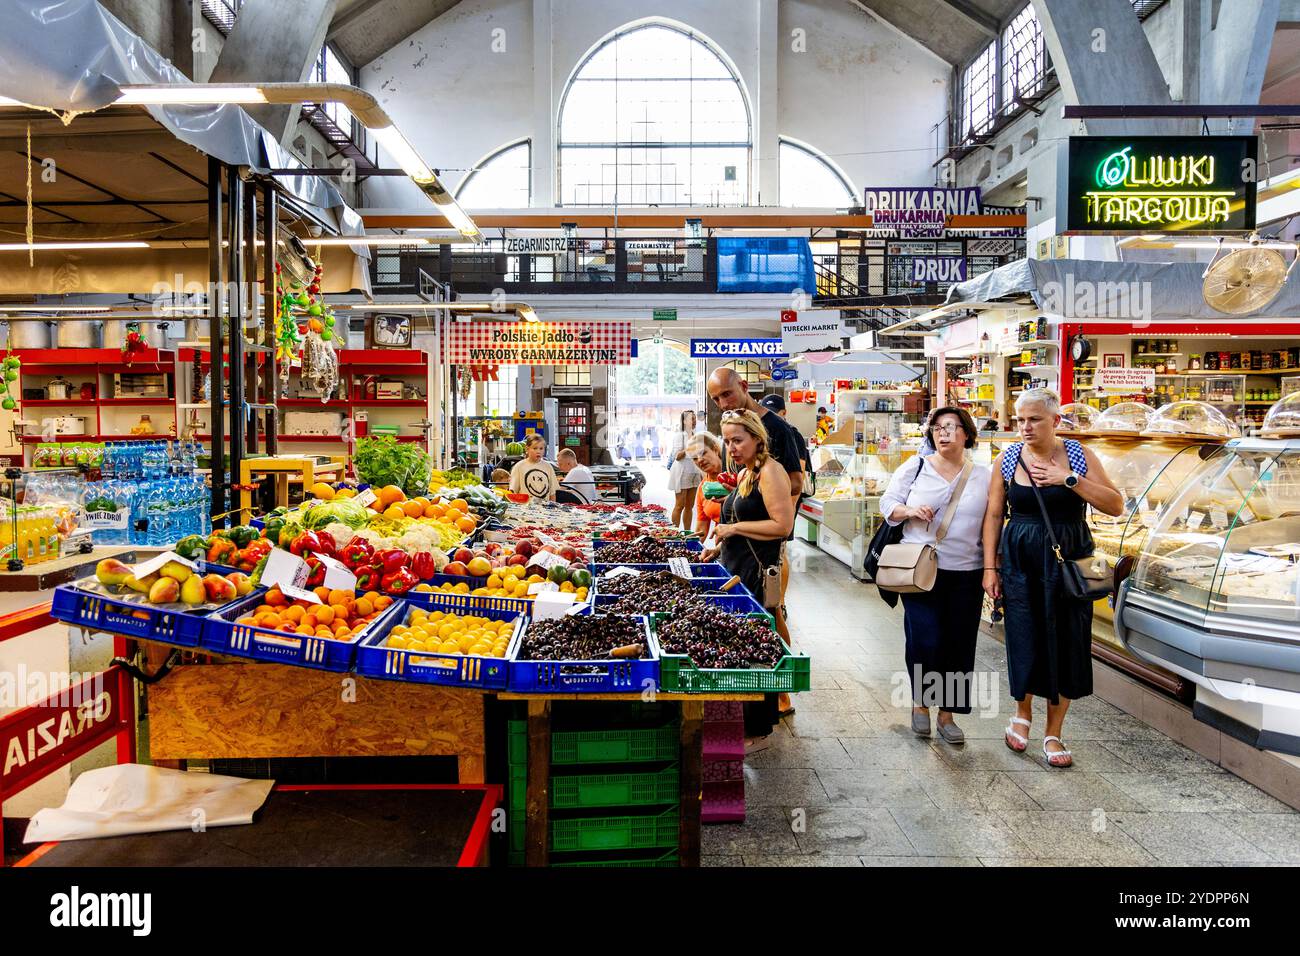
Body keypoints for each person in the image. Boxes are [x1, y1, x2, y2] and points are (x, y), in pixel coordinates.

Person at [982, 388, 1124, 768]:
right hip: (1020, 559)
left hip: (1070, 557)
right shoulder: (1008, 457)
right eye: (1020, 420)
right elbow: (994, 515)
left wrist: (1069, 479)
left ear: (1055, 421)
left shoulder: (1078, 454)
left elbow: (1115, 505)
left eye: (1034, 420)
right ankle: (1022, 713)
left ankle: (1054, 731)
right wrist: (989, 568)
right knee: (1023, 634)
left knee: (1068, 639)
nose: (1025, 427)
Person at [879, 407, 990, 744]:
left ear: (967, 434)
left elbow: (992, 520)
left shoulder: (984, 475)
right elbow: (888, 505)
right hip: (920, 570)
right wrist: (910, 510)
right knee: (926, 639)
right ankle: (921, 704)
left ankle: (948, 714)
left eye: (952, 427)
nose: (944, 433)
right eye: (938, 428)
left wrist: (991, 568)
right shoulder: (915, 468)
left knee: (958, 644)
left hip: (966, 572)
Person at [707, 367, 804, 721]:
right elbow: (736, 519)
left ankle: (768, 712)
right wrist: (718, 543)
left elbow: (782, 523)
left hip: (759, 570)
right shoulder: (747, 472)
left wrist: (733, 531)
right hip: (739, 568)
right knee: (749, 638)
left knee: (764, 633)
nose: (731, 448)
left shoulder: (770, 471)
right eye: (728, 441)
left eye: (738, 441)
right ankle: (748, 715)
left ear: (758, 439)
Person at [686, 431, 726, 542]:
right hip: (721, 549)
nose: (699, 460)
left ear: (715, 449)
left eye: (703, 453)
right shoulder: (703, 488)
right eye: (694, 458)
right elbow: (701, 528)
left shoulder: (735, 475)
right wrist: (687, 546)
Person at [667, 410, 703, 531]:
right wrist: (689, 447)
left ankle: (687, 533)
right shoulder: (679, 435)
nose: (694, 421)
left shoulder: (696, 435)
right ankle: (675, 533)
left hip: (694, 472)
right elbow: (677, 456)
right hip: (682, 473)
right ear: (684, 421)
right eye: (691, 419)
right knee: (679, 505)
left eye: (694, 418)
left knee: (689, 506)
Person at [508, 434, 558, 503]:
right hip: (525, 508)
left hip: (545, 508)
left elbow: (552, 492)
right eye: (535, 448)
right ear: (527, 449)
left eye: (541, 448)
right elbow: (513, 491)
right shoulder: (519, 466)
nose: (538, 451)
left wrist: (553, 507)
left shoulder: (548, 467)